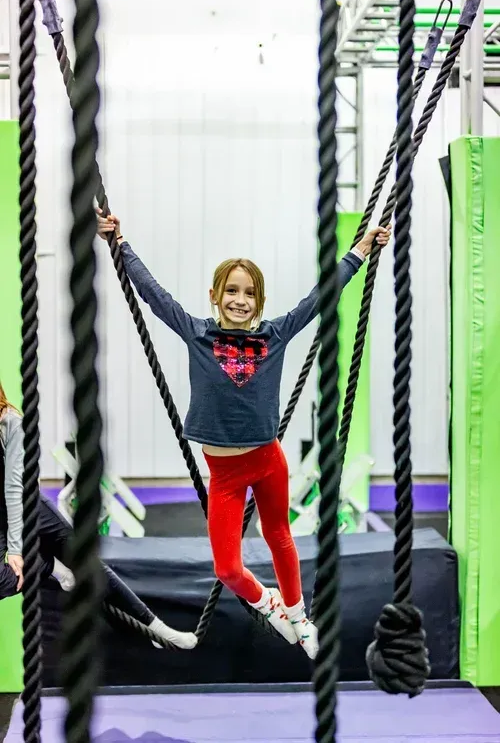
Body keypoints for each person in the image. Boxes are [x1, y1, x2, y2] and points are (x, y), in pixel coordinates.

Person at [97, 210, 391, 660]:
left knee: (280, 537)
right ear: (215, 296)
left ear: (260, 299)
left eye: (249, 293)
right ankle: (267, 600)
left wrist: (360, 251)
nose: (240, 299)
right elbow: (153, 295)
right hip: (224, 473)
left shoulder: (275, 335)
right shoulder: (198, 333)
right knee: (228, 568)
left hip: (267, 460)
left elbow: (321, 297)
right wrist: (120, 243)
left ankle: (298, 614)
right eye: (231, 291)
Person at [0, 382, 197, 650]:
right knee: (9, 577)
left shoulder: (11, 423)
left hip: (27, 505)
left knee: (85, 561)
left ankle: (156, 628)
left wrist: (15, 548)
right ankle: (51, 567)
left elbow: (13, 488)